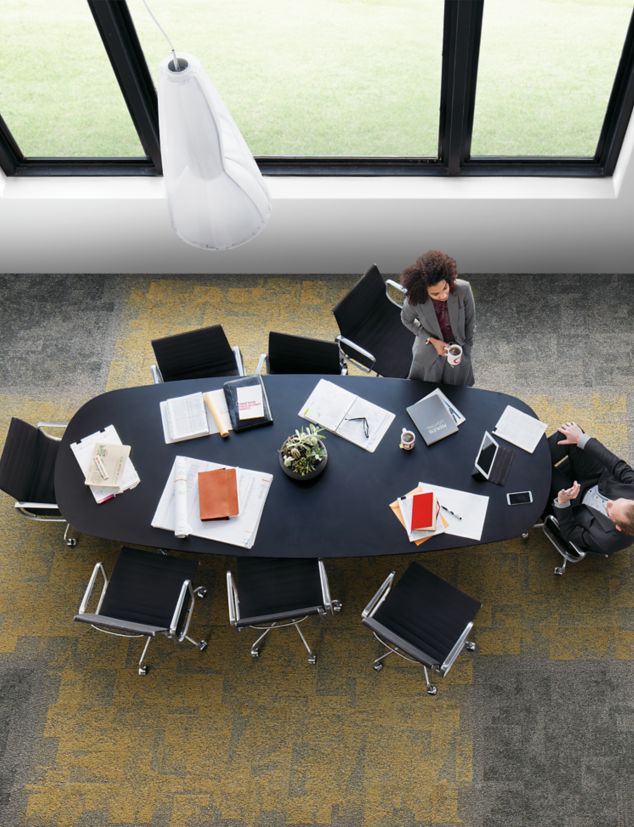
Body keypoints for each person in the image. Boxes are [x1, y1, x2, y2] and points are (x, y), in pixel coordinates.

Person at [549, 421, 634, 555]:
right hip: (596, 478)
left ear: (617, 526)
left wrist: (563, 502)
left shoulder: (606, 541)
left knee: (543, 471)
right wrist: (581, 438)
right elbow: (617, 465)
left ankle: (522, 463)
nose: (609, 502)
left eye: (611, 508)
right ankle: (528, 457)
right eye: (618, 500)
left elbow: (570, 532)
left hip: (573, 501)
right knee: (567, 435)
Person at [399, 250, 475, 385]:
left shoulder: (463, 289)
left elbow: (470, 321)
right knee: (424, 389)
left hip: (458, 348)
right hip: (428, 350)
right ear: (424, 291)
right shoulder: (414, 300)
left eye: (445, 287)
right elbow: (406, 320)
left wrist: (467, 349)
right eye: (435, 294)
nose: (444, 295)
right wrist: (431, 340)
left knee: (458, 390)